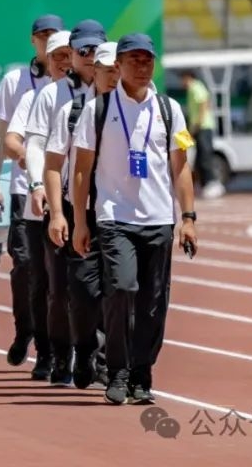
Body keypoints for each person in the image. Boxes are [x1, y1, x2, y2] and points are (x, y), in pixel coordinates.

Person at [70, 33, 198, 406]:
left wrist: (187, 217)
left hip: (159, 219)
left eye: (148, 60)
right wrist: (81, 221)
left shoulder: (169, 109)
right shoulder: (99, 109)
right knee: (122, 289)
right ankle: (118, 369)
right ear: (119, 65)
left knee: (153, 302)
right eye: (134, 60)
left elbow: (181, 167)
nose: (142, 67)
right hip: (113, 217)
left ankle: (142, 373)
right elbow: (81, 171)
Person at [22, 18, 107, 386]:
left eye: (95, 50)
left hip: (107, 203)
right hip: (65, 202)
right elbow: (36, 145)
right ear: (70, 55)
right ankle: (59, 355)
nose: (89, 57)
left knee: (104, 287)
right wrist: (38, 185)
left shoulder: (115, 89)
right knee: (60, 289)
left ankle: (97, 356)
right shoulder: (51, 95)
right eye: (82, 51)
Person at [0, 28, 72, 378]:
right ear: (47, 60)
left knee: (74, 282)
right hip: (33, 200)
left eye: (70, 55)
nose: (64, 63)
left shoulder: (92, 95)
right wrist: (31, 158)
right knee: (35, 278)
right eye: (57, 56)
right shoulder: (34, 96)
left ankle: (82, 352)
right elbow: (10, 138)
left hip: (76, 201)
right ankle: (42, 348)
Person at [45, 41, 120, 390]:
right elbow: (54, 164)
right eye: (106, 70)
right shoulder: (73, 111)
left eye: (118, 69)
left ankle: (108, 362)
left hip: (122, 211)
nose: (113, 76)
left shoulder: (141, 110)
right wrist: (60, 215)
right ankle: (86, 347)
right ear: (94, 72)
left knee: (119, 290)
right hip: (83, 210)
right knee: (84, 293)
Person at [180, 69, 225, 199]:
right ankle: (205, 185)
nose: (181, 82)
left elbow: (204, 104)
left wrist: (198, 123)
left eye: (183, 79)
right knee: (199, 157)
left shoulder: (196, 87)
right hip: (197, 127)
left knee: (205, 156)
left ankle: (212, 183)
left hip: (203, 127)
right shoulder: (192, 89)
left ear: (188, 77)